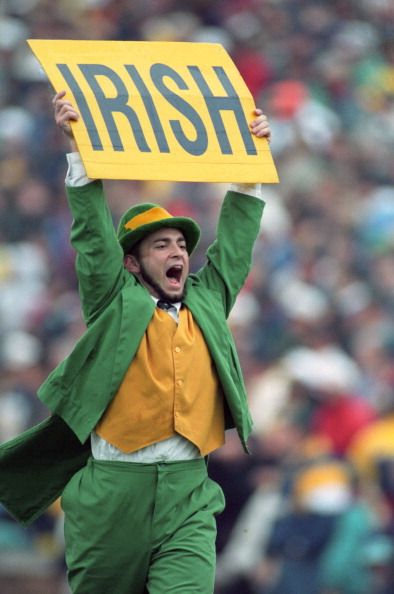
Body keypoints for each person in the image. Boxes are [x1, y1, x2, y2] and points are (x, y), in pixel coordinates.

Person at [0, 90, 271, 594]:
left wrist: (250, 167)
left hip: (189, 493)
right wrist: (79, 148)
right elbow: (93, 237)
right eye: (161, 245)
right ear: (131, 262)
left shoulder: (208, 301)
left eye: (184, 245)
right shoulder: (112, 300)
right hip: (110, 499)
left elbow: (234, 248)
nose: (179, 253)